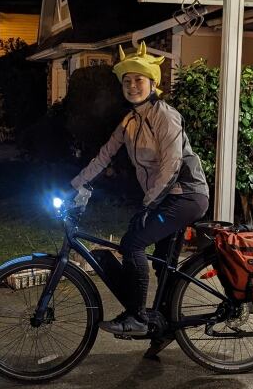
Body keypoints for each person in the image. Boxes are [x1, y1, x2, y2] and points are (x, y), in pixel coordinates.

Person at [70, 42, 210, 337]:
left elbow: (171, 166)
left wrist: (148, 206)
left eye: (139, 80)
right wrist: (75, 185)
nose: (132, 86)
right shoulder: (130, 121)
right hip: (162, 198)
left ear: (152, 83)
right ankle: (165, 325)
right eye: (127, 81)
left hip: (186, 195)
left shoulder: (166, 116)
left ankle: (137, 317)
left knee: (133, 243)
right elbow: (103, 155)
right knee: (164, 264)